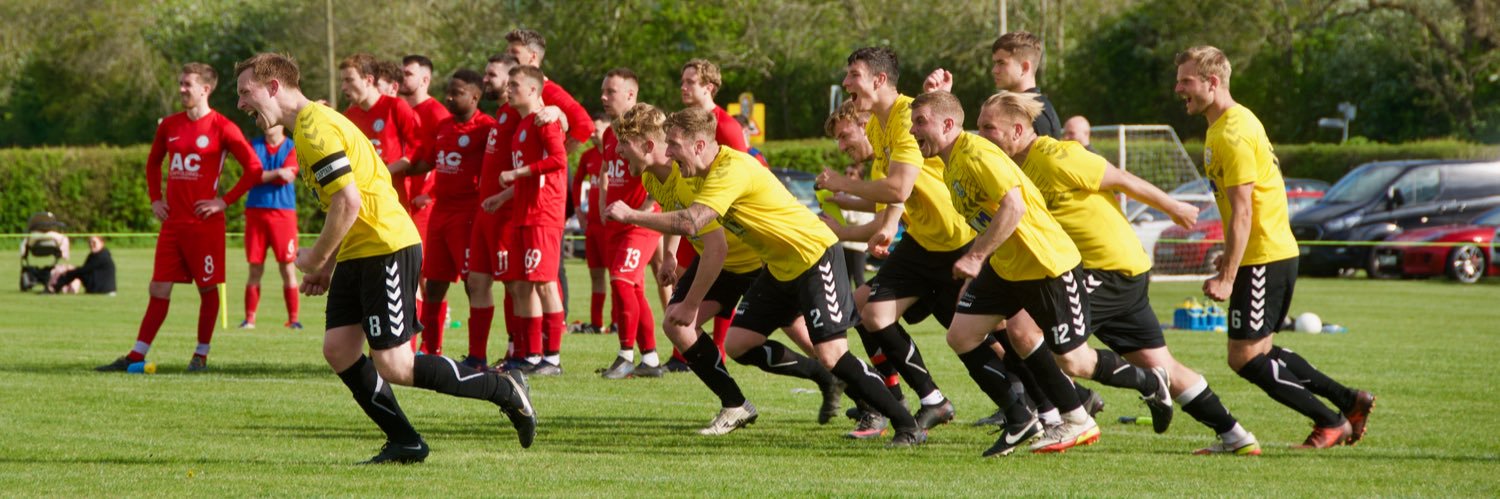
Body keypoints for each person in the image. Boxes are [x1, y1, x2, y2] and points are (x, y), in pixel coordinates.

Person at [233, 52, 535, 464]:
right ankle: (405, 442)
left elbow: (347, 202)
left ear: (272, 87)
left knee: (394, 363)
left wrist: (315, 258)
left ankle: (504, 388)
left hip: (385, 246)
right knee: (339, 349)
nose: (240, 104)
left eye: (245, 92)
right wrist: (329, 264)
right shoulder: (308, 126)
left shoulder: (314, 129)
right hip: (360, 250)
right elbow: (346, 203)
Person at [605, 106, 925, 446]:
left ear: (699, 146)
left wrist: (632, 216)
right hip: (777, 266)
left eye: (673, 145)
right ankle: (792, 388)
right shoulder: (697, 172)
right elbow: (686, 221)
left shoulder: (731, 169)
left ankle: (905, 423)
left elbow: (692, 222)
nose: (668, 153)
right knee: (739, 344)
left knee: (830, 351)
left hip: (813, 255)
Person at [979, 90, 1255, 455]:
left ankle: (1069, 418)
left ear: (1017, 130)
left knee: (1026, 331)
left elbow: (1122, 178)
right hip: (1121, 270)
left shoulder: (1055, 155)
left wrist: (1174, 207)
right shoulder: (1015, 165)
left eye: (988, 128)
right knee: (1162, 364)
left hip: (1107, 269)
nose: (981, 136)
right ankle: (1235, 435)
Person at [1174, 45, 1374, 449]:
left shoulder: (1233, 132)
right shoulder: (1226, 124)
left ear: (1213, 83)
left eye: (1186, 81)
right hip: (1265, 254)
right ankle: (1349, 401)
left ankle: (1332, 420)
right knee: (1260, 350)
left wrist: (1229, 276)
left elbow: (1244, 209)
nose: (1179, 89)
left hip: (1264, 256)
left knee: (1245, 357)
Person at [610, 103, 843, 425]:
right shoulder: (652, 177)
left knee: (814, 342)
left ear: (648, 146)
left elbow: (714, 245)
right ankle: (735, 403)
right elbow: (674, 214)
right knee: (678, 325)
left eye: (623, 143)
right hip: (726, 262)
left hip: (753, 260)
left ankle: (862, 394)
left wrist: (691, 303)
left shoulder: (687, 172)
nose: (618, 151)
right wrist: (669, 254)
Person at [907, 90, 1111, 454]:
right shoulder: (950, 161)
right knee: (962, 335)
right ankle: (1021, 418)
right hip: (1007, 268)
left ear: (949, 124)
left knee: (1073, 359)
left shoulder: (975, 154)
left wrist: (975, 256)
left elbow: (1013, 206)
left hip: (1044, 262)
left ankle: (1142, 383)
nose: (912, 130)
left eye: (920, 122)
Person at [816, 47, 976, 431]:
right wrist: (877, 220)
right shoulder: (880, 132)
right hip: (924, 244)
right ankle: (899, 400)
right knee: (865, 307)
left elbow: (899, 188)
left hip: (957, 241)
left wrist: (846, 205)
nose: (842, 147)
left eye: (843, 136)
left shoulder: (902, 120)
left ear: (878, 82)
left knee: (997, 335)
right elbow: (895, 201)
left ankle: (1052, 402)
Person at [96, 63, 264, 373]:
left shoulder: (223, 127)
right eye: (180, 84)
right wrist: (155, 199)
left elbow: (254, 169)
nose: (182, 89)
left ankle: (200, 355)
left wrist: (223, 201)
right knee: (158, 288)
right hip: (172, 225)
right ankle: (136, 355)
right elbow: (153, 163)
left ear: (205, 89)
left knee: (207, 290)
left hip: (205, 227)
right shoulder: (170, 125)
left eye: (187, 84)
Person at [397, 69, 497, 364]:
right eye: (449, 92)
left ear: (476, 97)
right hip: (440, 214)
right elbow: (425, 162)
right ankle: (430, 350)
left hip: (468, 215)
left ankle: (477, 354)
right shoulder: (444, 127)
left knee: (473, 284)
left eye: (457, 93)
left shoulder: (486, 127)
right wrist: (387, 170)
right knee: (434, 282)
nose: (449, 98)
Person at [594, 68, 665, 379]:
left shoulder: (648, 127)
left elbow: (663, 161)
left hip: (641, 220)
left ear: (631, 95)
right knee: (633, 288)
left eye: (611, 91)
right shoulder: (611, 133)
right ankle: (649, 359)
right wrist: (601, 201)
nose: (604, 97)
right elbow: (606, 170)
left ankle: (625, 355)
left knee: (622, 281)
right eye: (604, 91)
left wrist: (649, 204)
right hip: (616, 220)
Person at [499, 65, 570, 375]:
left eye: (514, 84)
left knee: (544, 283)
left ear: (532, 89)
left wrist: (518, 173)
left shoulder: (545, 120)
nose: (508, 89)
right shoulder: (523, 123)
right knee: (524, 285)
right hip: (524, 213)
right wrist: (503, 196)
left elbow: (559, 160)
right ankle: (532, 355)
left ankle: (552, 359)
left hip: (544, 213)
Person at [467, 53, 524, 370]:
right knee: (477, 282)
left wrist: (504, 197)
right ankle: (476, 357)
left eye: (492, 75)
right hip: (484, 213)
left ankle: (517, 353)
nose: (485, 79)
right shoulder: (502, 114)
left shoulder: (520, 115)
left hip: (506, 213)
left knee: (513, 285)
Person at [400, 54, 454, 350]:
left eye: (407, 73)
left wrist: (430, 194)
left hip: (423, 207)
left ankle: (427, 347)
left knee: (425, 277)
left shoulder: (437, 113)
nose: (402, 78)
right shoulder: (398, 108)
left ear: (425, 79)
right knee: (407, 275)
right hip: (399, 203)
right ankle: (410, 346)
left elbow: (442, 159)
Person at [924, 31, 1063, 139]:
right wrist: (940, 99)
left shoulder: (1036, 113)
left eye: (1001, 63)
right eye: (995, 63)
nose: (994, 70)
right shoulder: (1020, 107)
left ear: (1025, 67)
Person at [240, 123, 302, 330]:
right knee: (255, 267)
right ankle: (249, 320)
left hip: (283, 213)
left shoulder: (293, 146)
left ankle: (293, 320)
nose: (266, 125)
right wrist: (277, 173)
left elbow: (289, 176)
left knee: (287, 267)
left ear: (281, 125)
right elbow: (250, 176)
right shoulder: (253, 145)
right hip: (255, 211)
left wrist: (264, 175)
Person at [572, 112, 612, 336]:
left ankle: (617, 323)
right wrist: (579, 210)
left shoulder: (617, 153)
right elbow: (577, 183)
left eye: (598, 128)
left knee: (617, 277)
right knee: (596, 275)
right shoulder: (587, 156)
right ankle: (596, 323)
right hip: (592, 226)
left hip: (610, 226)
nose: (593, 133)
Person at [49, 236, 116, 295]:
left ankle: (53, 289)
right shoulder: (94, 255)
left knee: (73, 273)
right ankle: (55, 288)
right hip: (99, 287)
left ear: (102, 243)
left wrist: (70, 270)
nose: (91, 244)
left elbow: (85, 269)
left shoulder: (102, 256)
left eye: (94, 242)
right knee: (74, 273)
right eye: (90, 242)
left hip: (104, 290)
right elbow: (85, 269)